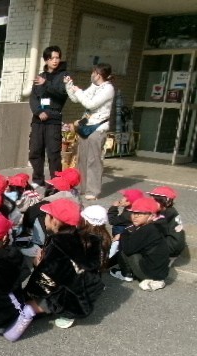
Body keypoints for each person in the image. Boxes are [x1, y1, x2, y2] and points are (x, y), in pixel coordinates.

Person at [24, 198, 104, 329]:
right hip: (87, 291)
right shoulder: (88, 238)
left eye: (46, 215)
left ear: (55, 220)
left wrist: (37, 265)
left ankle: (62, 311)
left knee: (24, 307)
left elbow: (45, 280)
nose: (44, 218)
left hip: (71, 300)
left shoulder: (58, 244)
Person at [64, 63, 115, 200]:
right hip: (86, 127)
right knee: (83, 160)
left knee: (94, 160)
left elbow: (90, 104)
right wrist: (69, 85)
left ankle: (93, 191)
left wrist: (79, 91)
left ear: (98, 74)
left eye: (93, 72)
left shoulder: (108, 89)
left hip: (98, 128)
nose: (91, 75)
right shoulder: (94, 86)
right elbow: (76, 99)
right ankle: (83, 188)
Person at [28, 46, 69, 186]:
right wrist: (39, 112)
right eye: (52, 58)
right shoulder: (41, 76)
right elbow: (33, 98)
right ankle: (37, 179)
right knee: (35, 150)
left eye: (57, 57)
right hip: (38, 119)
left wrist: (46, 84)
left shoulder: (64, 76)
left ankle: (56, 182)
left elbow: (62, 94)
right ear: (46, 60)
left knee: (53, 153)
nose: (55, 61)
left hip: (53, 118)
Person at [109, 198, 169, 291]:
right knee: (130, 245)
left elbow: (127, 250)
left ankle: (126, 274)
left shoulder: (148, 229)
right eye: (133, 213)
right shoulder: (155, 225)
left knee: (125, 250)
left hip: (150, 274)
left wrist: (123, 234)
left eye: (140, 214)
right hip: (159, 272)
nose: (135, 216)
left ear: (152, 216)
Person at [148, 186, 186, 259]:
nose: (151, 204)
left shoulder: (167, 215)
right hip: (171, 243)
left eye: (155, 201)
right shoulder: (169, 211)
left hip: (171, 247)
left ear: (166, 202)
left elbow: (150, 228)